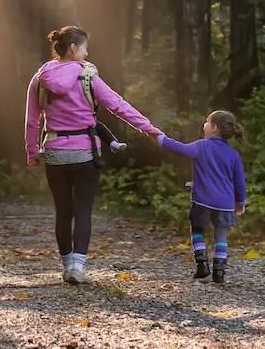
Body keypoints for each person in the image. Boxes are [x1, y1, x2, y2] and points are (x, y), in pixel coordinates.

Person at [25, 26, 164, 284]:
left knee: (63, 211)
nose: (87, 53)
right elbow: (118, 106)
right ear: (75, 48)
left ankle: (67, 267)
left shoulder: (41, 77)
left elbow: (32, 120)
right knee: (83, 210)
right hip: (85, 154)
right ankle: (78, 267)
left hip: (55, 153)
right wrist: (149, 129)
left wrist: (32, 151)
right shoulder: (88, 76)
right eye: (85, 47)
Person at [155, 110, 247, 284]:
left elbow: (179, 148)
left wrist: (160, 139)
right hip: (225, 204)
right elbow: (239, 181)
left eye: (206, 121)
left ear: (213, 127)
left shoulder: (201, 146)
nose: (204, 125)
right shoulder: (234, 155)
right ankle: (219, 272)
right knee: (221, 235)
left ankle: (202, 264)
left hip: (202, 200)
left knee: (197, 229)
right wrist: (240, 202)